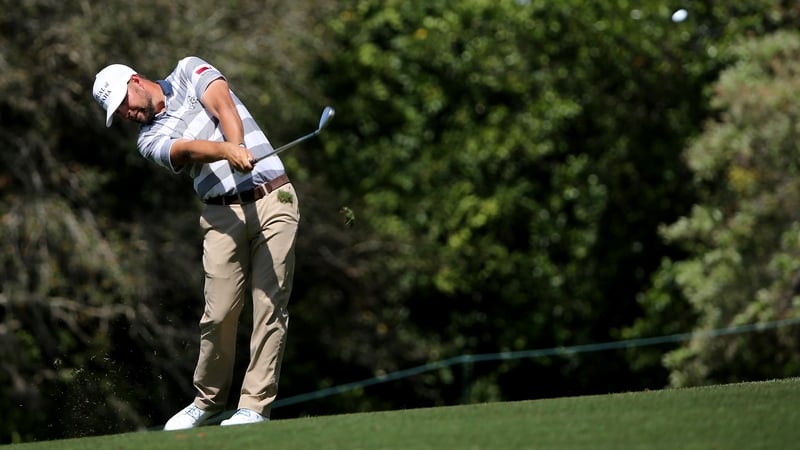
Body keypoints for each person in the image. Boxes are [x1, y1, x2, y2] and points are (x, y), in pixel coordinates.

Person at [92, 57, 300, 429]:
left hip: (274, 198)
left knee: (269, 305)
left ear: (136, 81)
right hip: (220, 215)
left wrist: (236, 145)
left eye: (123, 103)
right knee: (218, 314)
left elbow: (223, 105)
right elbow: (186, 150)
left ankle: (254, 405)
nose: (125, 113)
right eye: (117, 113)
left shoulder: (188, 70)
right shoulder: (148, 140)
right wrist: (225, 152)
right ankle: (208, 402)